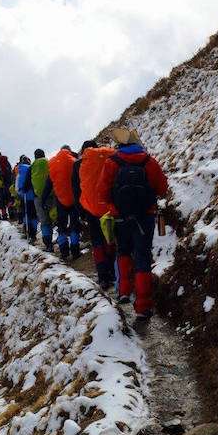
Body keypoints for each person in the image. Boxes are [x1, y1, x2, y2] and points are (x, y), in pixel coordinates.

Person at [95, 127, 169, 319]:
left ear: (120, 145)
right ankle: (143, 305)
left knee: (123, 252)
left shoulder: (112, 163)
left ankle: (124, 291)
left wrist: (114, 206)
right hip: (145, 217)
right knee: (143, 257)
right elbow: (162, 188)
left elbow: (102, 193)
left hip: (120, 217)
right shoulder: (149, 162)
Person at [76, 139, 117, 290]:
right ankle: (113, 273)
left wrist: (81, 212)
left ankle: (102, 277)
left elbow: (77, 191)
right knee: (110, 239)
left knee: (97, 243)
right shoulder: (109, 157)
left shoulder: (78, 165)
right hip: (108, 207)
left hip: (90, 209)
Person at [48, 145, 81, 260]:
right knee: (74, 224)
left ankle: (64, 252)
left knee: (61, 225)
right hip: (74, 198)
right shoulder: (74, 161)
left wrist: (43, 199)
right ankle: (75, 251)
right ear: (69, 151)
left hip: (60, 199)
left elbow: (49, 183)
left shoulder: (52, 163)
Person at [29, 149, 55, 252]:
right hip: (51, 194)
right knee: (53, 216)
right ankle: (63, 243)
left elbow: (27, 183)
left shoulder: (32, 167)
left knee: (44, 220)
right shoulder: (49, 163)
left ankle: (48, 244)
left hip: (38, 197)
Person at [15, 155, 38, 241]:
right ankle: (34, 234)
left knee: (26, 214)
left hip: (24, 196)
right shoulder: (33, 169)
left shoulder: (20, 171)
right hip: (34, 196)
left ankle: (27, 232)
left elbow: (17, 187)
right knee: (33, 215)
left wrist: (20, 193)